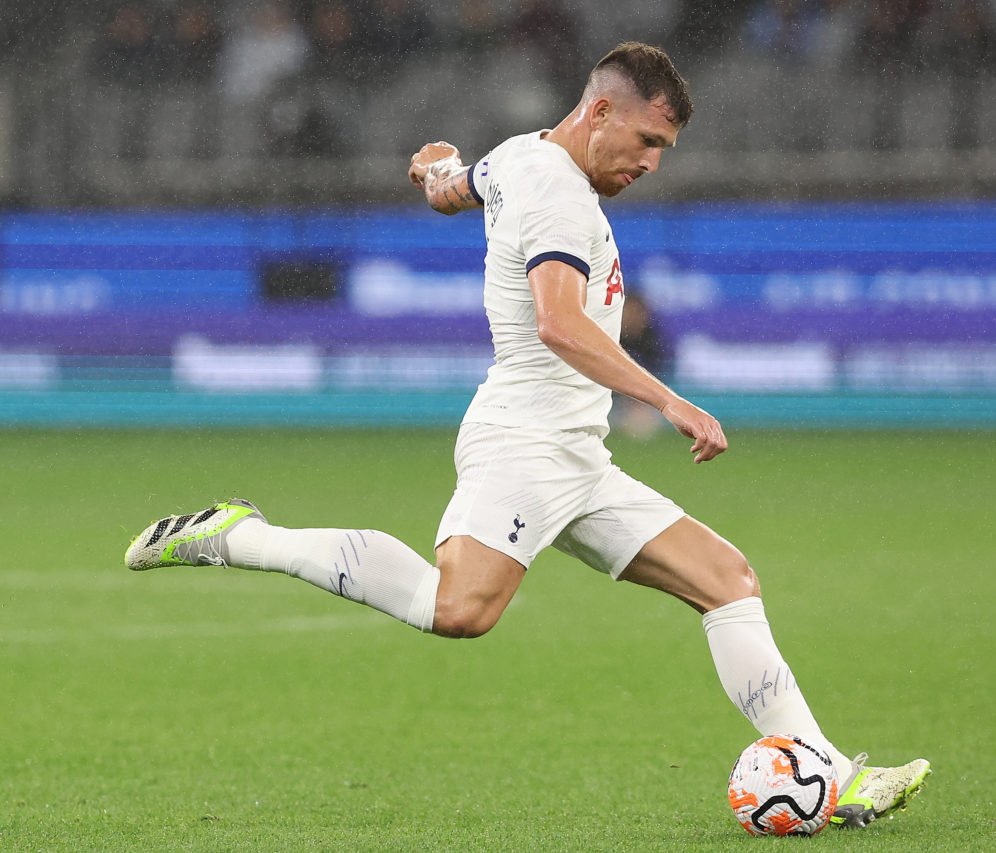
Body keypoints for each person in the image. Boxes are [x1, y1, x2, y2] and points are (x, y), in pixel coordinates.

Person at [124, 42, 930, 830]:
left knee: (726, 578)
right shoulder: (558, 195)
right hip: (523, 442)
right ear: (601, 110)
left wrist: (435, 169)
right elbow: (557, 323)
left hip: (577, 452)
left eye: (664, 149)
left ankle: (828, 771)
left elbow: (451, 188)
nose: (651, 163)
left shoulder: (518, 157)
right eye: (647, 141)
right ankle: (244, 537)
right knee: (459, 608)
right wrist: (670, 400)